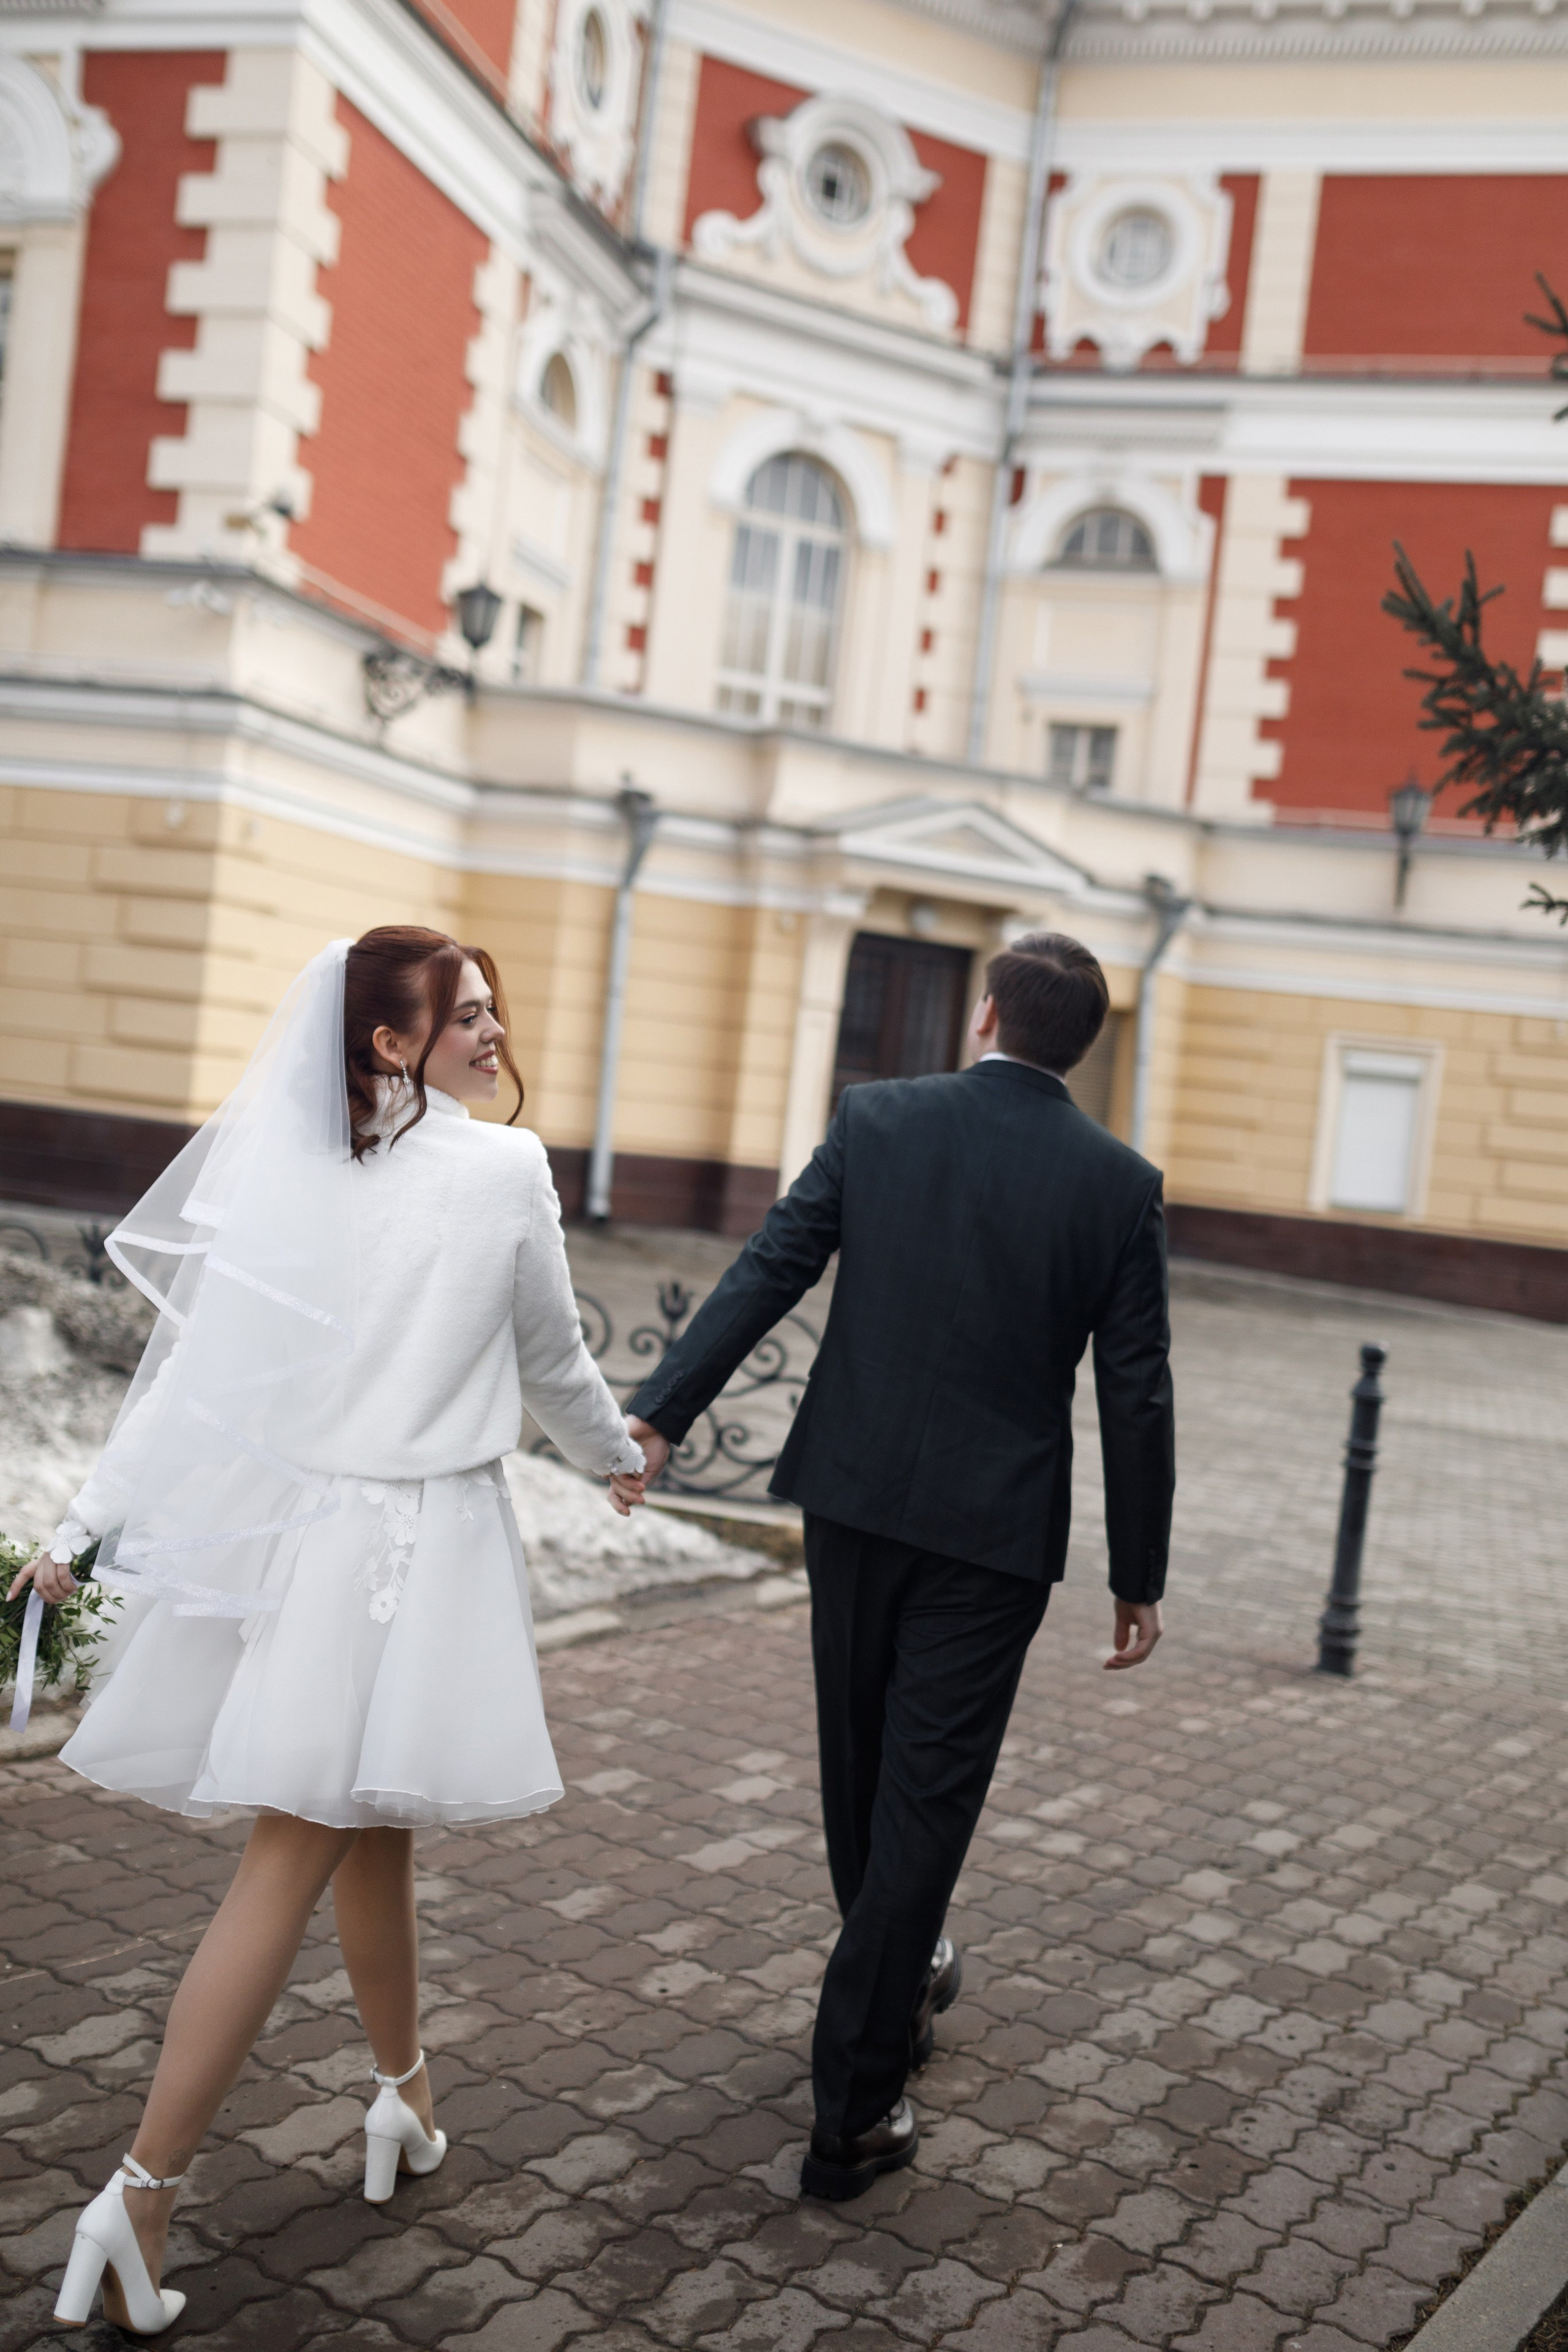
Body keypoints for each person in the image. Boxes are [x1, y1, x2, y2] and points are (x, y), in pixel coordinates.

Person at [7, 926, 646, 2335]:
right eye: (462, 1014)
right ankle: (140, 2187)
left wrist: (79, 1528)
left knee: (371, 1833)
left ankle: (403, 2093)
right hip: (414, 1557)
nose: (491, 1031)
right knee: (290, 1854)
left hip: (311, 1545)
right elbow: (550, 1357)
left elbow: (187, 1391)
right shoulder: (500, 1169)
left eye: (490, 1008)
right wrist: (616, 1452)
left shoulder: (302, 1178)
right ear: (384, 1041)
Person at [624, 931, 1175, 2201]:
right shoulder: (1116, 1183)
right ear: (1076, 1047)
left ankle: (893, 1987)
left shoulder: (875, 1121)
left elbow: (772, 1265)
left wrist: (663, 1410)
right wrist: (1134, 1571)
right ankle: (859, 2094)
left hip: (855, 1499)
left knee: (859, 1752)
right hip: (992, 1537)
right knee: (923, 1793)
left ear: (983, 1015)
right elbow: (1134, 1392)